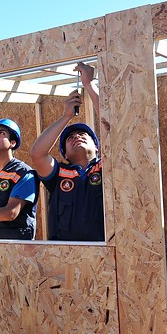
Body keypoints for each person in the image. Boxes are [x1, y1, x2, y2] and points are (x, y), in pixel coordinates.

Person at [29, 62, 104, 241]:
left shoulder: (107, 166)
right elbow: (37, 153)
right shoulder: (60, 174)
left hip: (107, 253)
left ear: (96, 147)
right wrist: (66, 116)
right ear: (65, 155)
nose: (76, 137)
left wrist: (89, 85)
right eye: (70, 138)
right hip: (66, 256)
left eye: (82, 134)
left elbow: (115, 127)